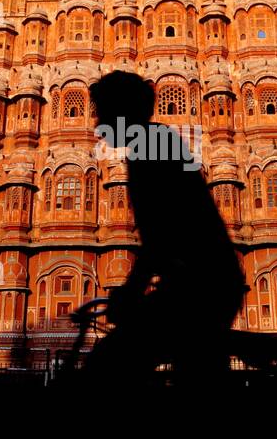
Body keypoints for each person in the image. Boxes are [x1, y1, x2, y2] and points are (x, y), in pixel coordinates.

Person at [84, 71, 248, 385]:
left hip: (204, 283)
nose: (98, 123)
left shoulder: (151, 146)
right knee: (197, 368)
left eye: (103, 111)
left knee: (112, 362)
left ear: (122, 112)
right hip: (206, 278)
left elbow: (161, 232)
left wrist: (132, 290)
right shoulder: (154, 141)